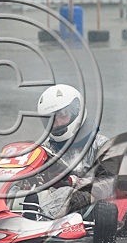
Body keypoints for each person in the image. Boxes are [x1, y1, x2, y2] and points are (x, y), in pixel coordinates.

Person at [34, 84, 112, 219]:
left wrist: (72, 182)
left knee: (68, 193)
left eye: (62, 115)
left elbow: (110, 184)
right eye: (50, 119)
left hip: (92, 208)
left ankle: (39, 218)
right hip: (48, 204)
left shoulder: (101, 145)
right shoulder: (44, 150)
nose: (57, 123)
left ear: (77, 111)